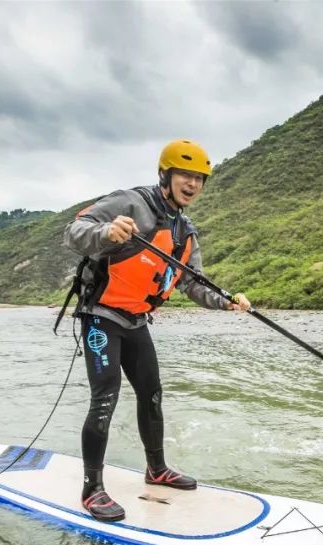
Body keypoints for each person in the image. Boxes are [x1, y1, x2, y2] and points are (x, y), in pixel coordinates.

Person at [62, 139, 251, 522]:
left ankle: (156, 469)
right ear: (165, 175)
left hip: (135, 322)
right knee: (105, 398)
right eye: (185, 175)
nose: (192, 184)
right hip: (101, 316)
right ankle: (92, 489)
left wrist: (226, 301)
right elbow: (74, 231)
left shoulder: (185, 231)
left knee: (151, 395)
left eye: (199, 178)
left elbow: (193, 284)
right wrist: (107, 233)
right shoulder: (131, 203)